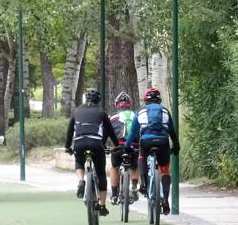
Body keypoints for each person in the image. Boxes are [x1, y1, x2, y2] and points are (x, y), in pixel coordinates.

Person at [125, 87, 180, 215]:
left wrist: (127, 147)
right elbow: (172, 131)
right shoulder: (165, 111)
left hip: (146, 142)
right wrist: (176, 146)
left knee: (141, 156)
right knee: (165, 171)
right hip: (163, 142)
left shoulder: (141, 112)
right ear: (159, 100)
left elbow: (133, 132)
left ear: (145, 101)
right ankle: (165, 199)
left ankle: (143, 184)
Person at [65, 88, 119, 216]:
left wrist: (68, 146)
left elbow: (69, 131)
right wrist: (117, 145)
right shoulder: (101, 112)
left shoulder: (77, 110)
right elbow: (110, 131)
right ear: (98, 100)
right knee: (101, 174)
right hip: (96, 143)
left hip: (79, 143)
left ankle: (81, 181)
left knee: (79, 161)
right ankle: (102, 205)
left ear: (86, 99)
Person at [109, 92, 140, 205]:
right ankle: (134, 186)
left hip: (119, 146)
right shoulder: (136, 115)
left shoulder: (113, 117)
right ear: (129, 104)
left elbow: (107, 132)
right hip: (134, 146)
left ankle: (113, 195)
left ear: (117, 105)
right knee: (135, 166)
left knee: (114, 167)